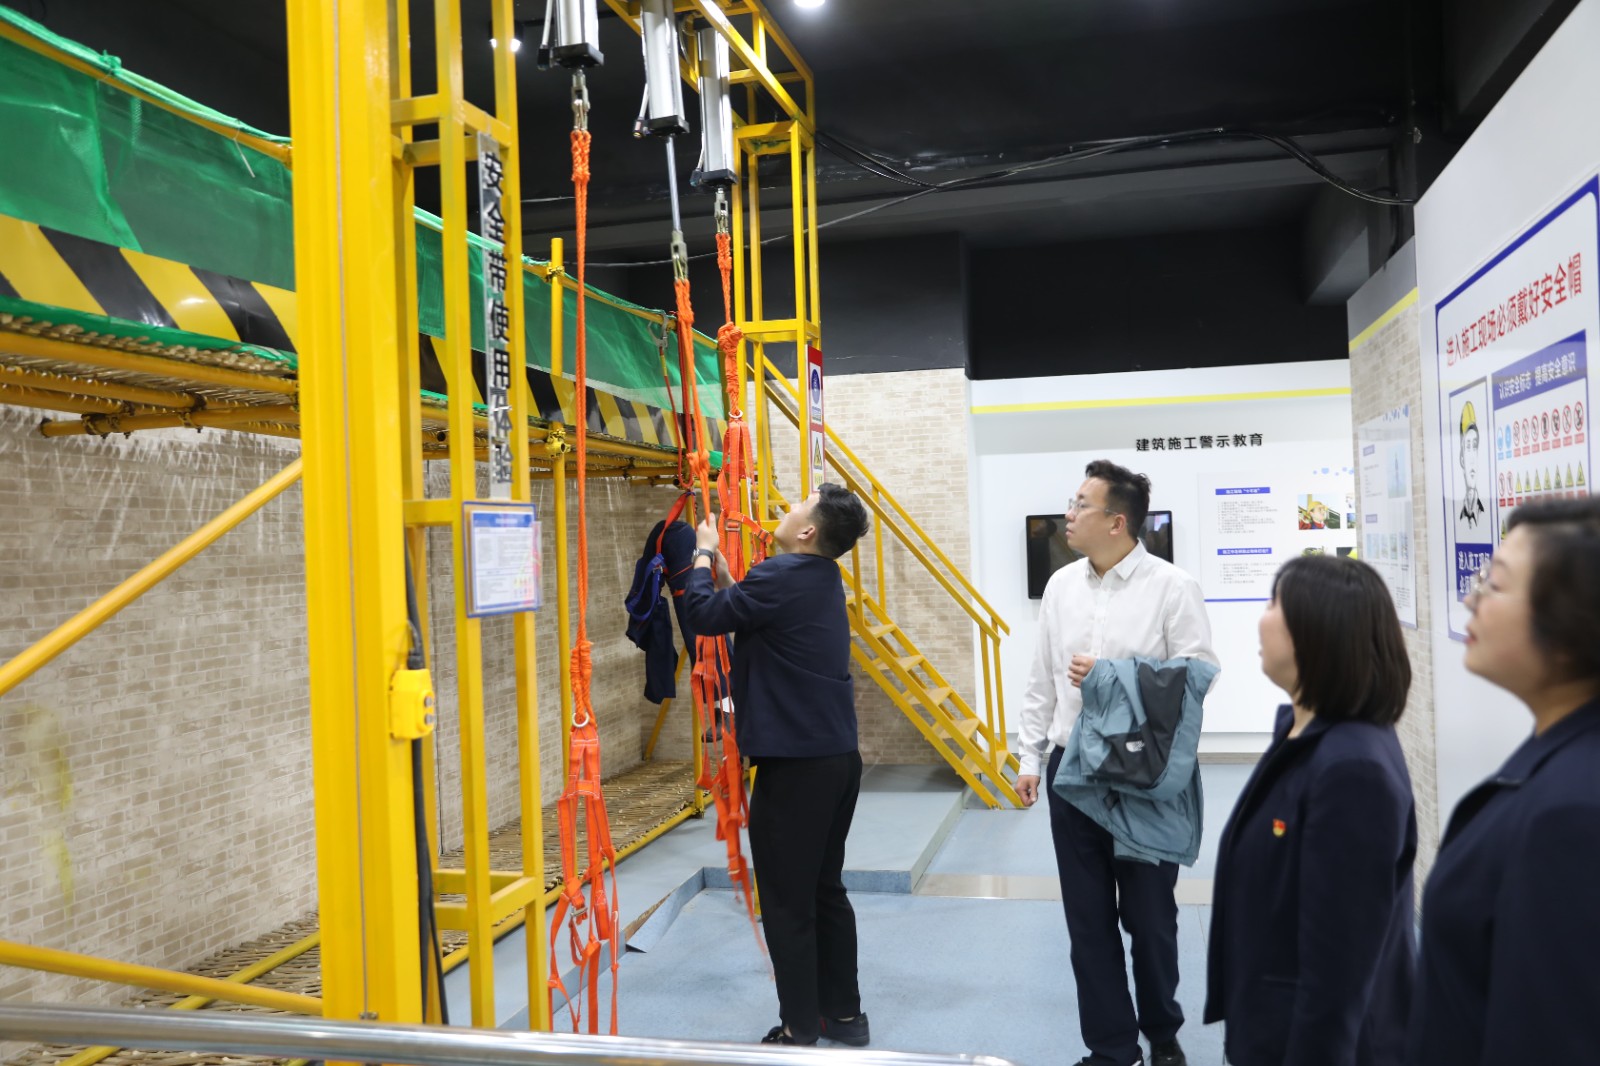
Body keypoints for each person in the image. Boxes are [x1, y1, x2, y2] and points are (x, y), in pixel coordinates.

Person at [1016, 460, 1217, 1066]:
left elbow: (1197, 676)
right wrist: (1030, 757)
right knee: (1088, 921)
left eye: (1081, 505)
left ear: (1117, 521)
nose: (1068, 515)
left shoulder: (1172, 586)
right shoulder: (1061, 586)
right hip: (1071, 774)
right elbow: (1041, 679)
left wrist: (1114, 677)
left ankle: (1162, 1032)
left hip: (1143, 778)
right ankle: (1111, 1049)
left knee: (1150, 919)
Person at [1407, 497, 1600, 1064]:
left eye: (1493, 584)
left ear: (1572, 620)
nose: (1470, 599)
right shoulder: (1561, 755)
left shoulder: (1573, 816)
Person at [681, 483, 873, 1048]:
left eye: (796, 508)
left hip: (796, 770)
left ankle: (798, 1028)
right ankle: (844, 1017)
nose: (785, 512)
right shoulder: (820, 576)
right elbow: (756, 611)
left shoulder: (781, 574)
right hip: (837, 760)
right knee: (824, 890)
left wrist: (701, 553)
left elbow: (701, 616)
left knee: (787, 901)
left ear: (808, 531)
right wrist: (728, 579)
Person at [1204, 555, 1416, 1066]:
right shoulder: (1306, 734)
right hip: (1272, 1023)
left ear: (1317, 628)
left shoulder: (1352, 769)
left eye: (1274, 602)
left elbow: (1338, 969)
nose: (1261, 618)